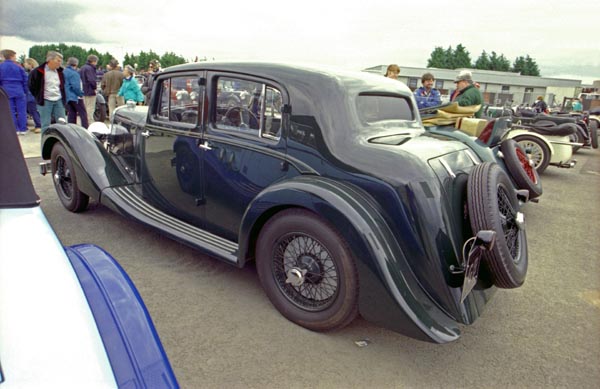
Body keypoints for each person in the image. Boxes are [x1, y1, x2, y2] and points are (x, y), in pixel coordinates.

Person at [28, 50, 66, 133]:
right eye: (58, 61)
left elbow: (63, 86)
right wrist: (39, 96)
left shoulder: (60, 72)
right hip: (45, 101)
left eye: (61, 61)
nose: (60, 63)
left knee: (62, 123)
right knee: (45, 125)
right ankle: (45, 144)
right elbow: (31, 86)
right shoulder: (38, 72)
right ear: (50, 60)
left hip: (58, 100)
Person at [0, 49, 29, 135]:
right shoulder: (19, 66)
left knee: (11, 111)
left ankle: (15, 129)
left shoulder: (1, 66)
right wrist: (25, 91)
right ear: (11, 56)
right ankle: (23, 129)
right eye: (15, 56)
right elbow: (25, 79)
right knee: (22, 110)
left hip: (6, 90)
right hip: (19, 89)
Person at [63, 57, 89, 128]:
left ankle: (71, 128)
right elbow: (76, 87)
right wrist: (80, 94)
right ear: (76, 64)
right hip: (76, 97)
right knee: (83, 114)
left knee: (71, 114)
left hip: (67, 96)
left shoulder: (64, 72)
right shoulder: (74, 73)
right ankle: (85, 129)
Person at [23, 58, 42, 133]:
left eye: (26, 63)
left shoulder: (34, 73)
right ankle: (37, 125)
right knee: (33, 110)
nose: (24, 65)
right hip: (33, 95)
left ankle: (39, 125)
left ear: (30, 64)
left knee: (34, 110)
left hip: (32, 95)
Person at [79, 54, 99, 124]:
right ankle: (90, 123)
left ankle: (84, 123)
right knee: (90, 108)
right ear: (94, 61)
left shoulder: (82, 68)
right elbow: (91, 80)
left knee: (84, 108)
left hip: (83, 90)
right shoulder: (91, 68)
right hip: (90, 91)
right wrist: (95, 88)